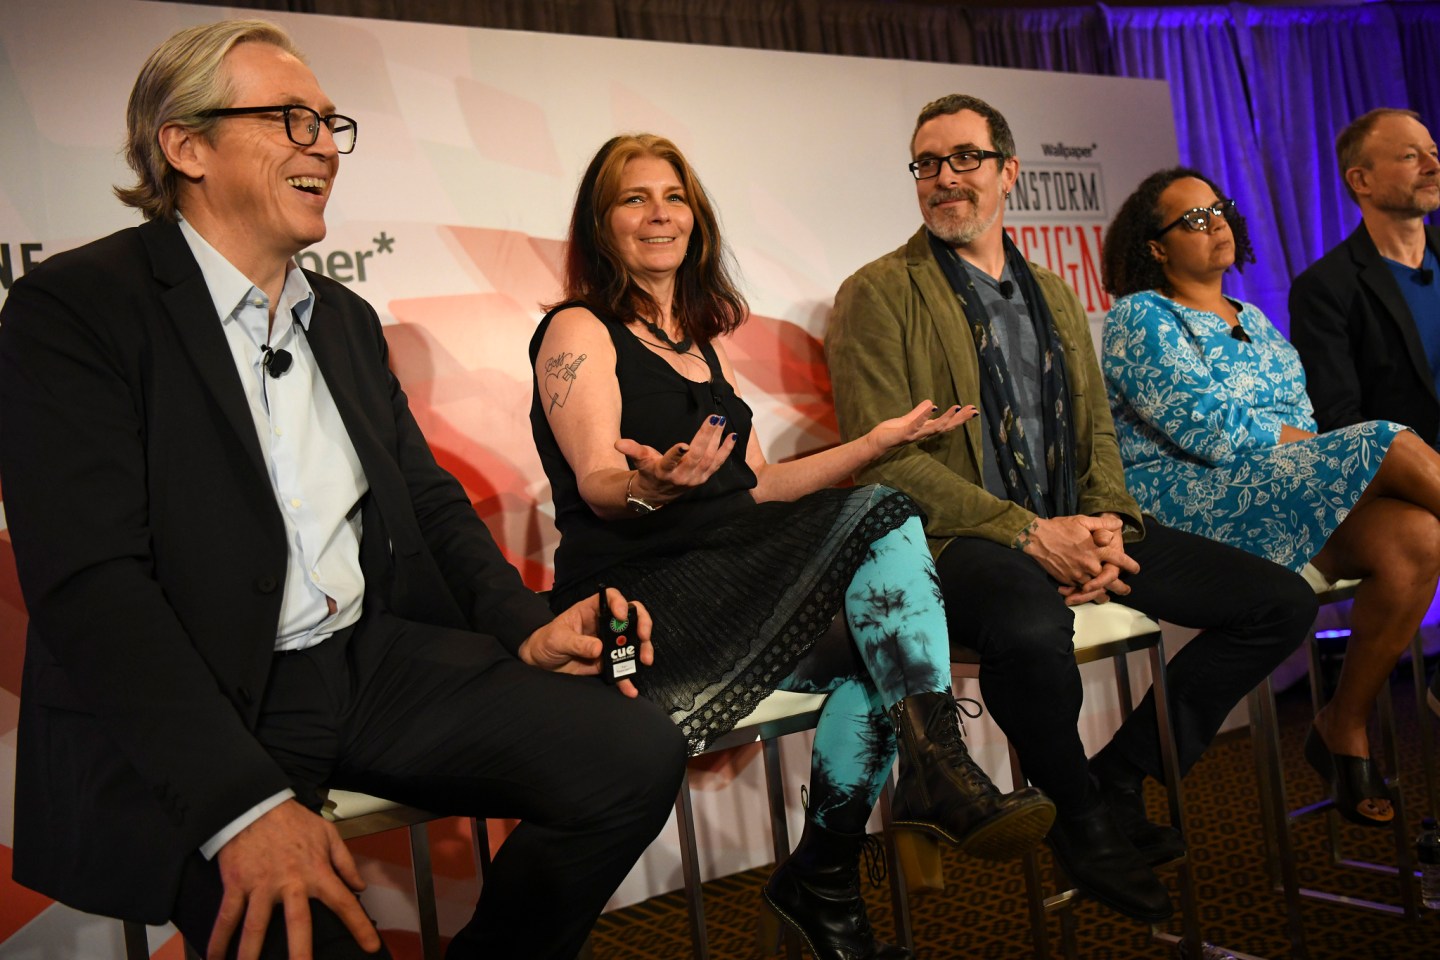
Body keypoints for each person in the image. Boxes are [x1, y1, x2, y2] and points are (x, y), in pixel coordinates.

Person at [0, 20, 688, 960]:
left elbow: (426, 497)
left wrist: (519, 622)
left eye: (330, 122)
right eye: (290, 119)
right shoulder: (77, 309)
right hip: (211, 698)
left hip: (364, 661)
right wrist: (238, 806)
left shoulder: (346, 320)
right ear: (185, 144)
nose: (324, 144)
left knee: (633, 752)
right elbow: (91, 586)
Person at [529, 133, 1056, 960]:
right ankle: (932, 774)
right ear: (602, 225)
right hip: (645, 603)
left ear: (696, 219)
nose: (659, 213)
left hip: (730, 577)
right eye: (634, 198)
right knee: (883, 520)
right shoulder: (578, 330)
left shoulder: (700, 347)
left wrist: (875, 441)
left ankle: (825, 874)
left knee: (876, 651)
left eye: (674, 196)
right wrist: (654, 486)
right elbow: (599, 477)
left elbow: (763, 485)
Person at [826, 94, 1317, 924]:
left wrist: (1110, 528)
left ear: (1008, 171)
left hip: (1073, 521)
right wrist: (1027, 532)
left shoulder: (1053, 290)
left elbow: (1093, 430)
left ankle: (1120, 778)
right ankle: (1082, 824)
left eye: (965, 159)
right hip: (962, 537)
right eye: (927, 164)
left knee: (1280, 603)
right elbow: (887, 459)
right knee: (1028, 627)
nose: (945, 179)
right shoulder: (877, 291)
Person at [1100, 166, 1440, 827]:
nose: (1216, 222)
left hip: (1270, 490)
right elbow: (1205, 425)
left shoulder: (1253, 317)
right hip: (1185, 499)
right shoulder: (1140, 316)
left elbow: (1302, 420)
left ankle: (1343, 723)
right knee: (1392, 443)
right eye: (1192, 220)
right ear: (1157, 246)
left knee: (1418, 538)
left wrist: (1311, 454)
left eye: (1219, 210)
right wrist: (1315, 454)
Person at [1290, 109, 1440, 446]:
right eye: (1410, 156)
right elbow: (1340, 421)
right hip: (1416, 474)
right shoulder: (1324, 288)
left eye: (1433, 152)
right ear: (1361, 180)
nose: (1432, 166)